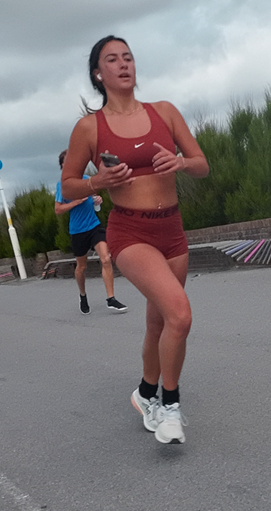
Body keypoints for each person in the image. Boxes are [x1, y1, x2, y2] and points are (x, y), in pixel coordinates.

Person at [61, 35, 209, 443]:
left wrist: (180, 161)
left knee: (158, 322)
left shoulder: (165, 111)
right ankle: (170, 406)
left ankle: (144, 394)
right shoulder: (90, 127)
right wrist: (97, 180)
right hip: (130, 232)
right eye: (113, 59)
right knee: (180, 314)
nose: (124, 64)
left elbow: (202, 165)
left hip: (172, 230)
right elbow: (69, 185)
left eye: (128, 57)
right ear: (98, 72)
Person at [55, 150, 127, 315]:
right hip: (78, 231)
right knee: (81, 267)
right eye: (67, 162)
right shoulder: (63, 185)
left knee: (106, 259)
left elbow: (95, 203)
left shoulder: (87, 180)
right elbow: (58, 209)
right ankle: (83, 295)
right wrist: (75, 203)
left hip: (93, 225)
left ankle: (111, 299)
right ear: (62, 166)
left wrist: (98, 201)